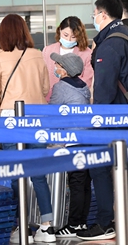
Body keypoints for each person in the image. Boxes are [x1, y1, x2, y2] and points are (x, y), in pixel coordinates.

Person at [0, 14, 54, 243]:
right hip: (37, 118)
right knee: (39, 174)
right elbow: (45, 88)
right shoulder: (37, 55)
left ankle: (20, 226)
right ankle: (47, 227)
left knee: (15, 174)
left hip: (10, 120)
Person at [77, 0, 128, 241]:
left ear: (103, 14)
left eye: (95, 14)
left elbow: (104, 88)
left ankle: (105, 222)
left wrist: (97, 119)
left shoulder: (110, 44)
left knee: (99, 166)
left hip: (112, 116)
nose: (93, 18)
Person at [48, 52, 92, 238]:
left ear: (65, 70)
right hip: (88, 140)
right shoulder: (84, 87)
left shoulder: (61, 87)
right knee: (84, 183)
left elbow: (52, 114)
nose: (55, 67)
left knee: (76, 184)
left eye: (58, 65)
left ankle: (73, 224)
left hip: (73, 141)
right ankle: (81, 222)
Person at [42, 16, 93, 102]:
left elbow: (87, 81)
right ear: (60, 31)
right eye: (65, 35)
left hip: (75, 100)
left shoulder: (87, 54)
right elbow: (43, 77)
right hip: (50, 99)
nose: (68, 39)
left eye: (73, 37)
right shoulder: (48, 50)